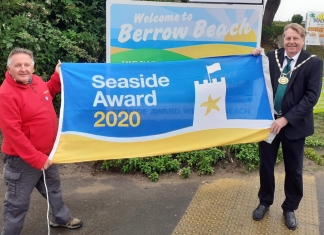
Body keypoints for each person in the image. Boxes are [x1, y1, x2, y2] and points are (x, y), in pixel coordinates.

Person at [0, 48, 83, 235]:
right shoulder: (6, 94)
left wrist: (57, 76)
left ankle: (60, 219)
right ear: (9, 68)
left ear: (32, 67)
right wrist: (36, 158)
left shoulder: (35, 81)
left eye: (26, 64)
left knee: (53, 189)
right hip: (23, 161)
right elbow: (13, 134)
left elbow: (49, 91)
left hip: (47, 154)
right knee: (17, 202)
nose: (23, 69)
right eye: (18, 65)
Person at [251, 23, 323, 230]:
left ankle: (290, 208)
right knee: (266, 165)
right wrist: (256, 57)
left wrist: (286, 119)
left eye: (296, 38)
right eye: (288, 38)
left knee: (294, 170)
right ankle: (264, 201)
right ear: (283, 39)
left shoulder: (313, 63)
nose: (291, 42)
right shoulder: (272, 57)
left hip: (293, 126)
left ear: (303, 40)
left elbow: (311, 97)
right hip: (269, 123)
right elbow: (259, 74)